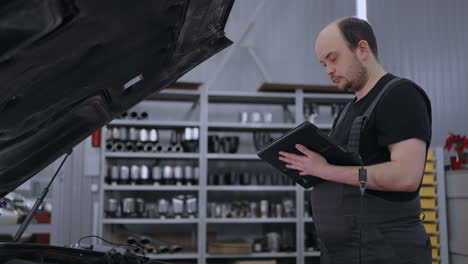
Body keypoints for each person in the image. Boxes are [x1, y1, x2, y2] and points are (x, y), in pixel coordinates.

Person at [278, 17, 432, 264]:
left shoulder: (400, 95)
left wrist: (324, 169)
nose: (328, 69)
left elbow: (406, 177)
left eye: (333, 58)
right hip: (345, 251)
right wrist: (310, 168)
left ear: (362, 49)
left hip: (384, 251)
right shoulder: (349, 110)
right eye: (323, 63)